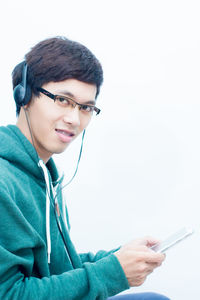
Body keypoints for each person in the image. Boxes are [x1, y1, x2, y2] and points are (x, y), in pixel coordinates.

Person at [0, 36, 170, 300]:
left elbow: (55, 267)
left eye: (86, 108)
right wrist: (112, 273)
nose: (74, 119)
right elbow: (9, 294)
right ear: (24, 95)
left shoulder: (45, 177)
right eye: (63, 100)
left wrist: (118, 259)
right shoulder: (4, 181)